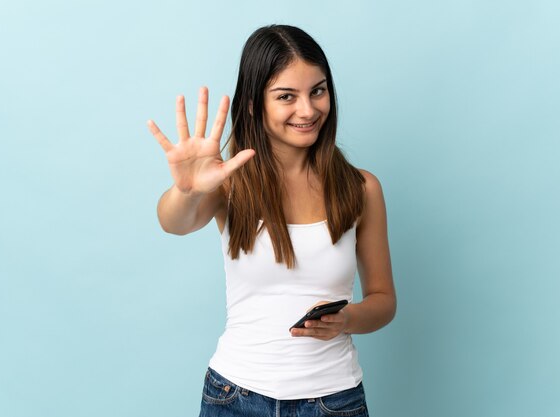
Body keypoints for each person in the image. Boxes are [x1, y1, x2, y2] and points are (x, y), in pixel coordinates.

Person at [147, 24, 396, 417]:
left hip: (334, 401)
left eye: (318, 90)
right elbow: (173, 223)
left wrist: (346, 318)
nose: (308, 110)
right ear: (253, 104)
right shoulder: (230, 183)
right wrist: (189, 189)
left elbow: (384, 302)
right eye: (286, 96)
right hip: (234, 397)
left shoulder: (361, 188)